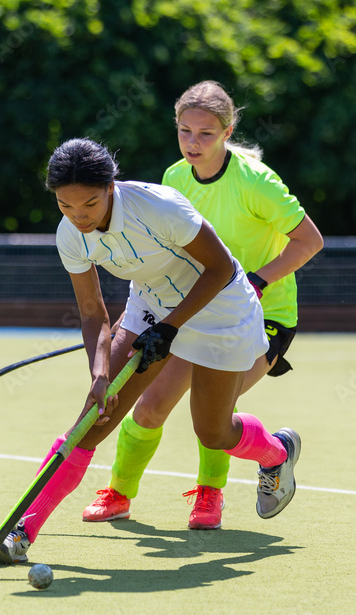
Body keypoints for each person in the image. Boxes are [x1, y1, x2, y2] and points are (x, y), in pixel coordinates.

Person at [0, 137, 301, 564]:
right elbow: (91, 312)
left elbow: (221, 269)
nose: (79, 216)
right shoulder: (70, 236)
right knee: (92, 421)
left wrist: (173, 327)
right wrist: (100, 372)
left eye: (90, 204)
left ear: (112, 187)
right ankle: (23, 531)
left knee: (213, 432)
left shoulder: (159, 207)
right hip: (152, 306)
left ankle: (278, 452)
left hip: (220, 309)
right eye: (65, 205)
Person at [82, 80, 324, 530]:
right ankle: (118, 492)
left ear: (228, 131)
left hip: (263, 316)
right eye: (184, 131)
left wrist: (256, 280)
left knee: (213, 411)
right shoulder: (174, 178)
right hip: (197, 311)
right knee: (150, 407)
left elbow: (310, 241)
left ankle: (218, 490)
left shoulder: (257, 183)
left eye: (206, 134)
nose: (193, 143)